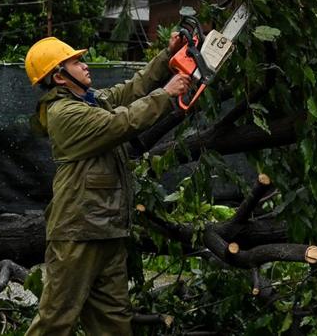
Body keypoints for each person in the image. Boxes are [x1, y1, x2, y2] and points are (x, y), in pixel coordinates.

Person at [23, 33, 191, 336]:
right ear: (59, 77)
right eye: (76, 62)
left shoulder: (88, 100)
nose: (85, 65)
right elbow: (121, 123)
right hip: (78, 230)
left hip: (106, 228)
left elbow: (129, 91)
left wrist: (167, 56)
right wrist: (167, 94)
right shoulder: (65, 113)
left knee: (113, 321)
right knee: (55, 320)